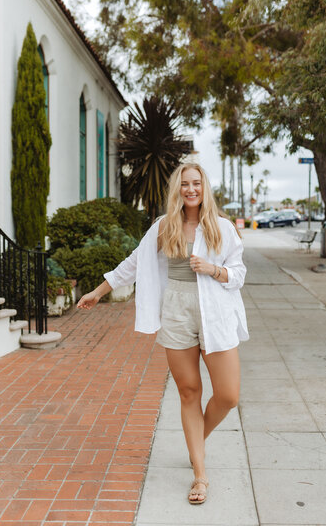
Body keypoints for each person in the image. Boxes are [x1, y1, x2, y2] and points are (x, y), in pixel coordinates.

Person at [77, 163, 248, 504]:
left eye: (196, 183)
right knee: (189, 393)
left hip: (214, 313)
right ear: (177, 189)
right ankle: (200, 476)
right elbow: (134, 263)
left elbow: (239, 273)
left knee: (228, 395)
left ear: (205, 187)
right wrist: (98, 291)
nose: (190, 189)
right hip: (177, 312)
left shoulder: (222, 227)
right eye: (185, 184)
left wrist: (214, 269)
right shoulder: (164, 226)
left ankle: (196, 439)